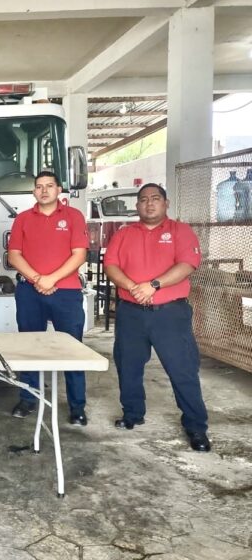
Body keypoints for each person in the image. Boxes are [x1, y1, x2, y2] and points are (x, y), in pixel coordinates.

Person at [104, 183, 211, 452]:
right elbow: (111, 266)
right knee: (128, 366)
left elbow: (187, 265)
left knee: (182, 369)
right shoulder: (123, 234)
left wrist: (152, 285)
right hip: (131, 314)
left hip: (170, 314)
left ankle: (196, 426)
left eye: (155, 199)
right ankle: (132, 414)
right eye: (143, 200)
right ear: (137, 206)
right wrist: (132, 287)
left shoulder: (180, 231)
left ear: (166, 203)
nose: (149, 204)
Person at [7, 171, 89, 425]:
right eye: (39, 187)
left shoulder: (73, 216)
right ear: (34, 191)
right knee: (30, 347)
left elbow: (79, 254)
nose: (44, 191)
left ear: (59, 189)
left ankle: (77, 406)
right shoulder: (22, 219)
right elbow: (14, 255)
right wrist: (37, 279)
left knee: (72, 348)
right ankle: (28, 397)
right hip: (30, 293)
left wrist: (51, 279)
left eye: (49, 186)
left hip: (66, 293)